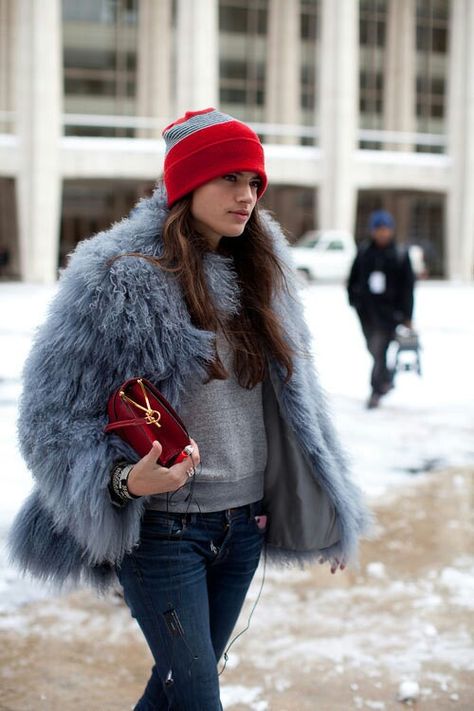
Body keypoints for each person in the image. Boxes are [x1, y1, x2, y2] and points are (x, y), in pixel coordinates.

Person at [9, 108, 371, 710]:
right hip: (164, 530)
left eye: (255, 181)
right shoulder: (117, 279)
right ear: (186, 184)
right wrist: (121, 481)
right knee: (198, 696)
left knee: (174, 690)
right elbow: (49, 419)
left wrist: (330, 506)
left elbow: (299, 407)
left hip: (244, 527)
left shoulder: (264, 273)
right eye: (229, 177)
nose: (247, 195)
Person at [347, 209, 415, 409]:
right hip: (366, 312)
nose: (383, 233)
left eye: (386, 229)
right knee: (374, 349)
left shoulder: (400, 255)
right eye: (379, 229)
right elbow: (352, 279)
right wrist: (354, 300)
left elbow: (408, 288)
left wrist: (407, 315)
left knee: (379, 348)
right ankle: (386, 378)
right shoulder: (364, 252)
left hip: (389, 315)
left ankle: (376, 389)